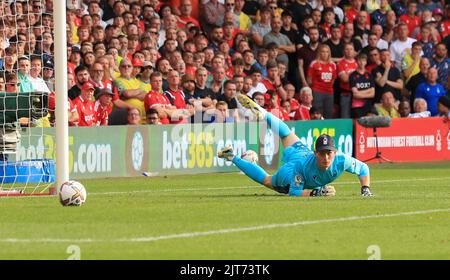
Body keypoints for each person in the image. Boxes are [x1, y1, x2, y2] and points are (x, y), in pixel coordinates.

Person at [217, 93, 373, 197]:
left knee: (286, 134)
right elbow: (294, 192)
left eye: (329, 153)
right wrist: (316, 193)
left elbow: (363, 168)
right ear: (316, 153)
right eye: (322, 153)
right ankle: (231, 155)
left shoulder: (342, 160)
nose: (326, 157)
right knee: (267, 180)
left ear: (335, 152)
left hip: (301, 152)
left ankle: (263, 113)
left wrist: (365, 188)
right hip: (293, 167)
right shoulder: (301, 167)